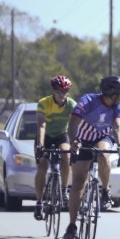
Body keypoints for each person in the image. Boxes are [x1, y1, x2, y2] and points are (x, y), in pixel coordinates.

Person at [62, 75, 120, 239]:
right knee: (78, 183)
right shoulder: (88, 101)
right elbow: (73, 123)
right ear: (113, 94)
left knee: (103, 153)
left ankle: (105, 192)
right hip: (82, 139)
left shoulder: (119, 106)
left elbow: (118, 126)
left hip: (103, 138)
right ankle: (72, 226)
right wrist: (73, 142)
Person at [33, 75, 76, 220]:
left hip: (61, 135)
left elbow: (76, 125)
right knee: (42, 166)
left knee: (66, 154)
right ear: (53, 90)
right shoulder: (44, 103)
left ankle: (64, 190)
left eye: (65, 91)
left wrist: (77, 142)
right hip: (45, 136)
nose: (61, 94)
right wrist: (40, 144)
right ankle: (39, 202)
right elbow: (42, 124)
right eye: (58, 91)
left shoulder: (71, 105)